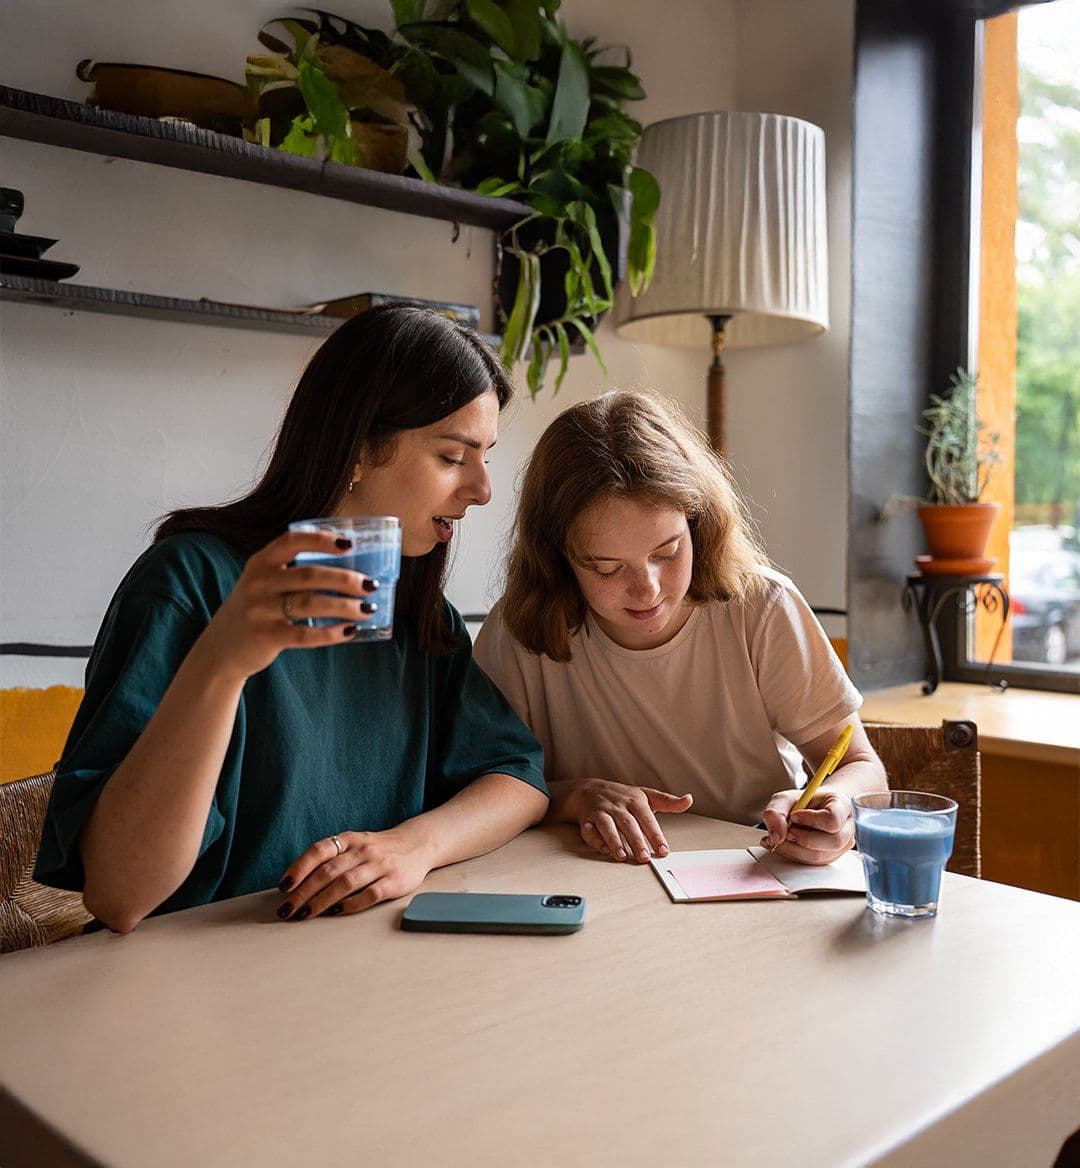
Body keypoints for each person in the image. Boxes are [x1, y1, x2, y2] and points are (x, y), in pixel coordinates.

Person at [34, 306, 549, 932]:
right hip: (185, 981)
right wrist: (223, 662)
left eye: (485, 456)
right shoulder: (190, 582)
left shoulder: (415, 610)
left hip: (352, 969)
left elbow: (517, 778)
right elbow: (119, 896)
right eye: (451, 456)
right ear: (357, 450)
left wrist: (413, 847)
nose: (483, 489)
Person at [474, 389, 887, 867]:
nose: (647, 590)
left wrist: (837, 809)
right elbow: (477, 785)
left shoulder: (761, 607)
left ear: (697, 523)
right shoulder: (519, 630)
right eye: (607, 568)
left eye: (668, 552)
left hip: (752, 860)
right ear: (558, 559)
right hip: (588, 872)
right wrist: (573, 797)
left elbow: (860, 765)